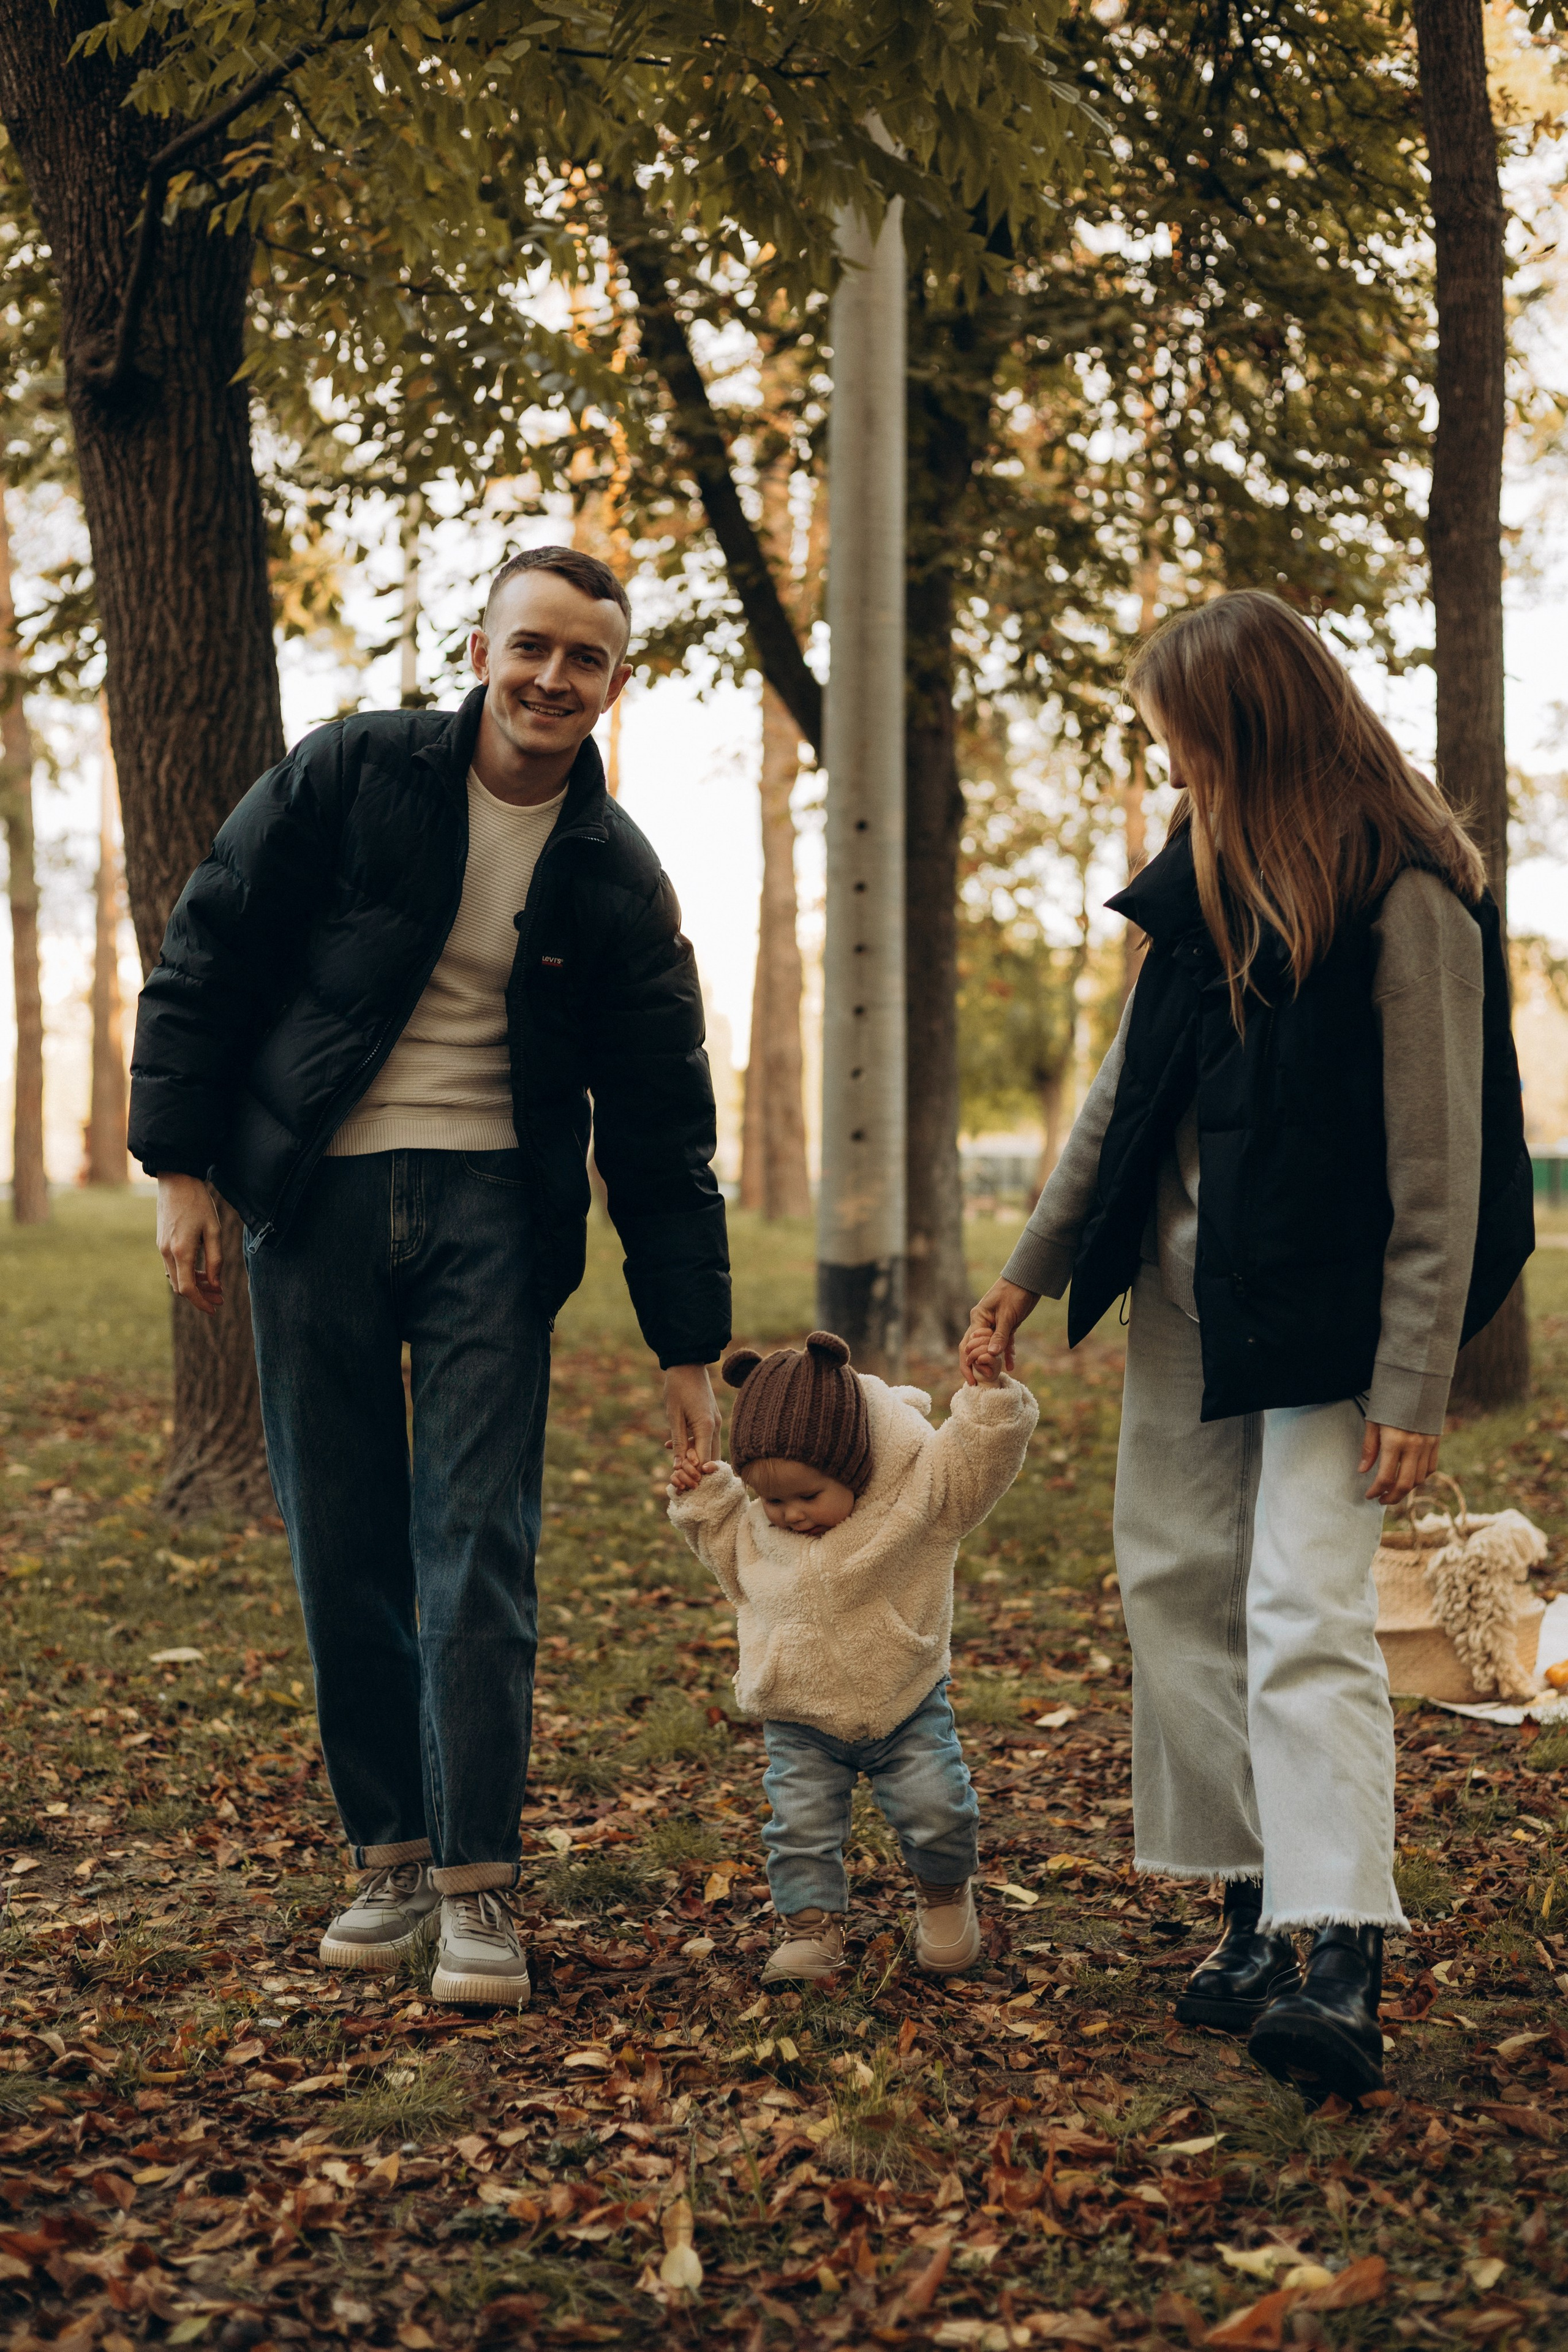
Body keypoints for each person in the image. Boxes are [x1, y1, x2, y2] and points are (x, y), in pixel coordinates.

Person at [128, 546, 730, 2010]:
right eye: (531, 646)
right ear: (482, 649)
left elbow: (662, 1117)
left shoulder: (612, 867)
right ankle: (386, 1853)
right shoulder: (355, 774)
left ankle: (476, 1885)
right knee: (342, 1533)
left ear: (612, 684)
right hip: (314, 1196)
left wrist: (686, 1339)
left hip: (492, 1216)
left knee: (478, 1545)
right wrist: (180, 1166)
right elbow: (209, 944)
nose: (550, 679)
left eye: (583, 659)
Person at [962, 591, 1533, 2102]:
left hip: (1330, 1318)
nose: (1170, 766)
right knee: (1175, 1588)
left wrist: (1412, 1379)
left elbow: (1440, 1163)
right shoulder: (1197, 874)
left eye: (1182, 739)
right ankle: (1246, 1911)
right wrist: (1024, 1273)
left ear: (1246, 725)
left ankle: (1339, 1945)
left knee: (1298, 1604)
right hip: (1179, 1305)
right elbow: (1114, 1101)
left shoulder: (1403, 896)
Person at [667, 1329, 1038, 1982]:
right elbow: (725, 1548)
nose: (788, 1516)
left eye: (807, 1497)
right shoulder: (759, 1525)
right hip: (800, 1716)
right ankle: (811, 1931)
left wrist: (986, 1399)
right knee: (799, 1833)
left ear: (853, 1467)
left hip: (906, 1700)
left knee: (937, 1810)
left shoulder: (917, 1500)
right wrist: (702, 1494)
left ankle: (945, 1896)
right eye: (770, 1499)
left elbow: (973, 1464)